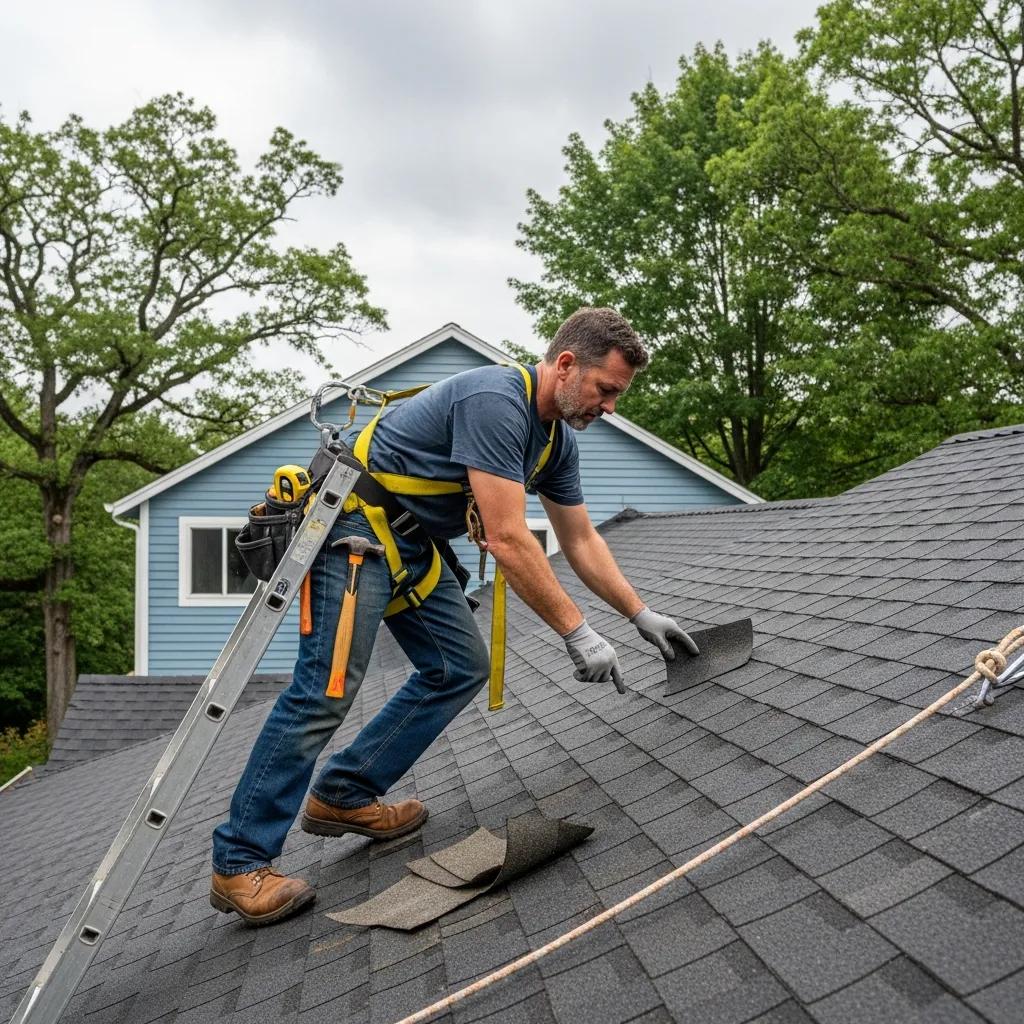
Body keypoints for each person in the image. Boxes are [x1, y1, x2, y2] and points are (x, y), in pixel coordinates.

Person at [210, 307, 697, 925]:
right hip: (352, 527)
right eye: (606, 391)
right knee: (325, 690)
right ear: (567, 365)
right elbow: (509, 538)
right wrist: (577, 632)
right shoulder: (498, 400)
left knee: (459, 666)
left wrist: (639, 613)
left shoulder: (555, 442)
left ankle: (344, 793)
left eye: (617, 396)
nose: (610, 407)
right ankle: (239, 863)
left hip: (410, 543)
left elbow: (580, 540)